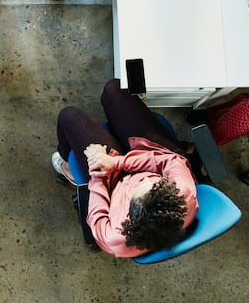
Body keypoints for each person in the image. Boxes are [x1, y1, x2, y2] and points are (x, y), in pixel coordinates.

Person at [53, 79, 198, 258]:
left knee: (69, 116)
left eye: (135, 188)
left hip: (111, 183)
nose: (140, 179)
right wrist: (116, 162)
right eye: (153, 181)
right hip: (150, 154)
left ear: (129, 215)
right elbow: (169, 161)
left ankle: (68, 167)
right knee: (114, 89)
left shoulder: (112, 238)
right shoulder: (182, 192)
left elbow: (97, 213)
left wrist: (98, 168)